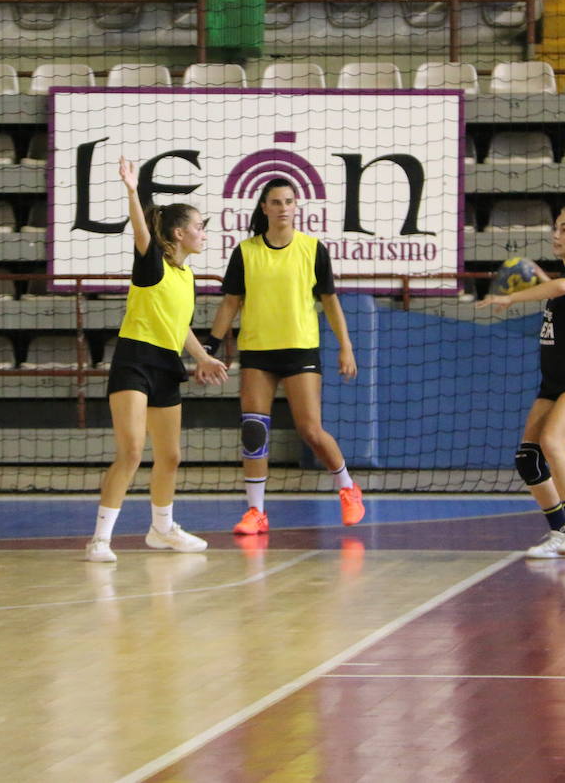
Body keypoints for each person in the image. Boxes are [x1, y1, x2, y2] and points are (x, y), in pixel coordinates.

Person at [85, 157, 228, 563]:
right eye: (199, 227)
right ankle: (100, 539)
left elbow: (178, 326)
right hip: (134, 361)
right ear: (180, 233)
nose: (203, 234)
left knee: (170, 455)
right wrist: (132, 192)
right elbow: (143, 234)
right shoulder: (152, 267)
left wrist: (202, 357)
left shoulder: (187, 277)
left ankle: (162, 529)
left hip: (167, 365)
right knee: (131, 451)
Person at [207, 178, 364, 536]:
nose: (281, 207)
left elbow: (330, 301)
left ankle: (347, 487)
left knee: (310, 429)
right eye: (275, 202)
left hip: (300, 349)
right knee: (253, 430)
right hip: (258, 351)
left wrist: (346, 346)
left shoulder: (312, 249)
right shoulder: (245, 251)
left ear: (296, 207)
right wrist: (211, 348)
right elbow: (230, 302)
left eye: (288, 201)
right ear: (264, 208)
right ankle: (256, 512)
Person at [479, 195, 565, 559]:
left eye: (564, 228)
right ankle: (558, 531)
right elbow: (560, 290)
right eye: (555, 227)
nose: (556, 233)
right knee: (528, 458)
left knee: (553, 441)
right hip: (556, 382)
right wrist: (540, 276)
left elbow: (564, 288)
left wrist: (513, 298)